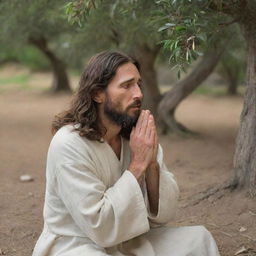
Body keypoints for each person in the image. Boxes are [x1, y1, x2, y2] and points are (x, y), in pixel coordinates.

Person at [32, 51, 220, 256]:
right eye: (126, 85)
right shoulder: (68, 143)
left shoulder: (137, 137)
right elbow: (100, 227)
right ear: (97, 94)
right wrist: (138, 164)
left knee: (198, 239)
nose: (138, 93)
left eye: (138, 84)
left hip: (128, 241)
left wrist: (151, 164)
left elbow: (162, 215)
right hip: (76, 245)